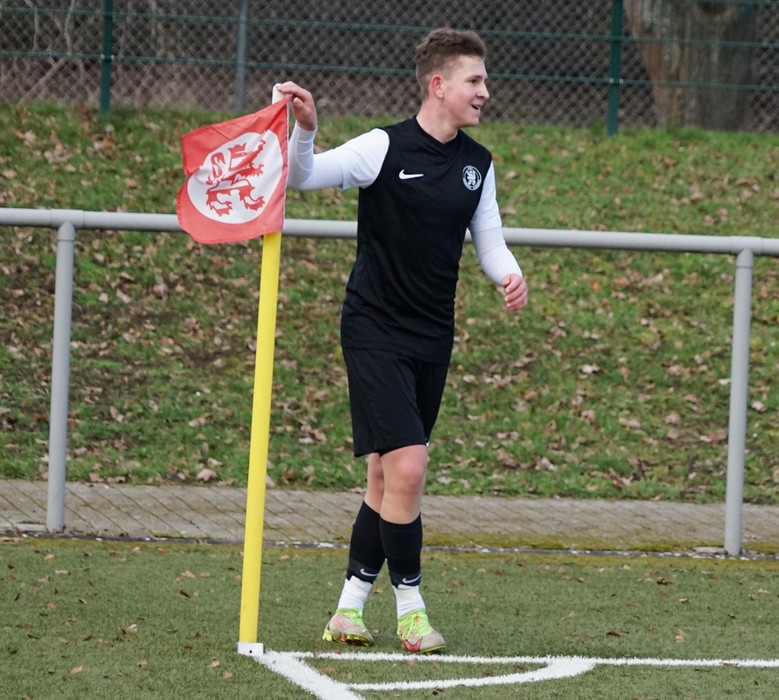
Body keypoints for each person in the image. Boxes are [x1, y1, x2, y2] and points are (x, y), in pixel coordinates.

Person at [275, 27, 528, 655]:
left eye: (485, 81)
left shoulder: (477, 164)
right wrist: (306, 128)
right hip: (373, 329)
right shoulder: (381, 147)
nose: (485, 92)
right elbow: (302, 175)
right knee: (409, 468)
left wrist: (508, 274)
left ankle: (347, 611)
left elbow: (489, 241)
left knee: (385, 478)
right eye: (475, 81)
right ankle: (411, 612)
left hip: (432, 335)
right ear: (438, 85)